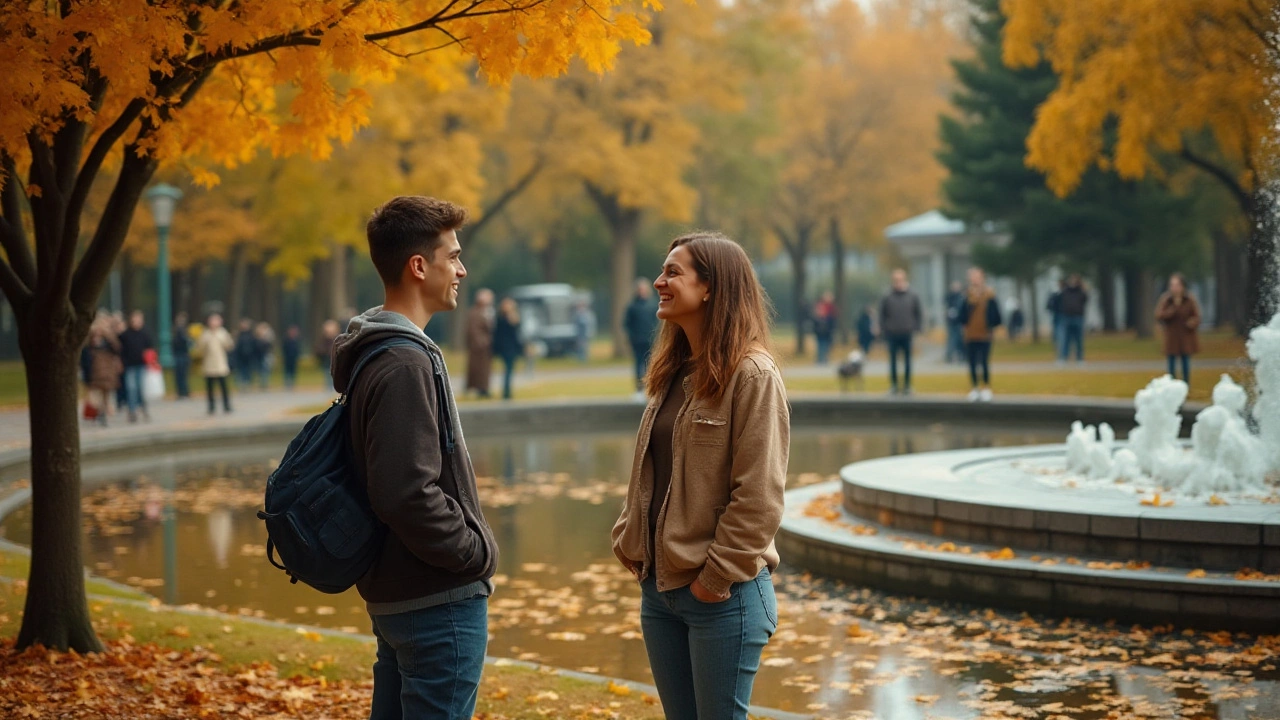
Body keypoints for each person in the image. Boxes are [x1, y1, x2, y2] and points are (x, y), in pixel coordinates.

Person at [331, 195, 497, 720]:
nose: (462, 270)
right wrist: (473, 552)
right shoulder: (403, 362)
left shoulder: (381, 353)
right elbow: (405, 492)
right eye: (453, 257)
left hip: (405, 596)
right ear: (419, 266)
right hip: (436, 601)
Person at [612, 232, 787, 720]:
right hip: (661, 593)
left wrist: (713, 580)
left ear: (710, 287)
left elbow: (760, 498)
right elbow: (652, 468)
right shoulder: (673, 369)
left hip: (722, 597)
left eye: (673, 272)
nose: (658, 281)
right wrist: (629, 537)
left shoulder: (753, 374)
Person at [958, 267, 1002, 402]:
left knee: (984, 362)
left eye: (977, 276)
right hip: (970, 334)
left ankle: (986, 387)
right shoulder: (967, 295)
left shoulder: (989, 295)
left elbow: (996, 315)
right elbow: (962, 315)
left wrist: (991, 326)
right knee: (971, 362)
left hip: (985, 334)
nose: (975, 279)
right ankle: (975, 388)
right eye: (972, 276)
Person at [879, 269, 922, 396]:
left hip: (907, 332)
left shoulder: (912, 295)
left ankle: (907, 385)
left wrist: (917, 328)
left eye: (900, 280)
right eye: (895, 280)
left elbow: (918, 313)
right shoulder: (887, 296)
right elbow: (882, 314)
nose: (898, 282)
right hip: (892, 332)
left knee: (908, 360)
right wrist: (883, 329)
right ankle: (894, 385)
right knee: (892, 361)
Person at [1156, 273, 1201, 386]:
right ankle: (1171, 385)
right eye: (1172, 285)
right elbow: (1159, 315)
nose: (1174, 288)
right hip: (1172, 337)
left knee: (1185, 362)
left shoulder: (1189, 300)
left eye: (1177, 285)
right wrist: (1171, 311)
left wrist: (1192, 322)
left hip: (1185, 336)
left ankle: (1186, 385)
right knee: (1171, 363)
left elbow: (1197, 316)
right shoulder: (1166, 300)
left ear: (1182, 286)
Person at [624, 278, 659, 396]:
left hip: (651, 340)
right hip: (637, 340)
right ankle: (639, 389)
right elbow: (627, 324)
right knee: (638, 365)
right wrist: (632, 337)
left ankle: (651, 388)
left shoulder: (653, 305)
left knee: (651, 365)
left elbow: (657, 322)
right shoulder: (632, 307)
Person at [118, 310, 154, 422]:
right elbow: (120, 349)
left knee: (140, 388)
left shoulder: (145, 333)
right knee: (131, 388)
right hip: (129, 365)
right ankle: (132, 410)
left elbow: (150, 348)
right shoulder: (125, 334)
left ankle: (143, 408)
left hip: (141, 365)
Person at [86, 314, 122, 426]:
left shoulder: (109, 339)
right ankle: (99, 413)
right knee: (96, 395)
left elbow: (117, 348)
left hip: (107, 370)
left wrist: (108, 334)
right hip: (96, 370)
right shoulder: (91, 338)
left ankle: (103, 413)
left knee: (106, 394)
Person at [195, 313, 234, 415]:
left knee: (224, 386)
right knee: (210, 387)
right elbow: (200, 348)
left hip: (220, 363)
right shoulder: (205, 334)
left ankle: (227, 405)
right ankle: (211, 406)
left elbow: (229, 345)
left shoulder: (222, 333)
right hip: (209, 364)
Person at [493, 297, 524, 400]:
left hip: (507, 348)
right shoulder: (506, 319)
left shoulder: (500, 318)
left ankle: (507, 392)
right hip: (509, 348)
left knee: (508, 370)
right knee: (508, 370)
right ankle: (507, 392)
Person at [465, 289, 494, 398]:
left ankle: (484, 388)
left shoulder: (486, 311)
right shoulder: (475, 312)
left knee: (485, 370)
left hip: (484, 347)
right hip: (479, 347)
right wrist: (482, 341)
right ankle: (480, 389)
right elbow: (473, 330)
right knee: (478, 370)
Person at [1058, 274, 1088, 363]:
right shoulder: (1065, 291)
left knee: (1079, 339)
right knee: (1065, 339)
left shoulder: (1081, 292)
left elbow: (1085, 299)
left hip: (1078, 317)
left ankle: (1080, 358)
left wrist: (1083, 288)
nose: (1073, 282)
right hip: (1067, 317)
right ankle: (1064, 357)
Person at [314, 319, 340, 393]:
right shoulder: (323, 339)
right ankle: (329, 387)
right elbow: (318, 349)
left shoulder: (338, 338)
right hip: (326, 360)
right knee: (327, 373)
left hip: (335, 360)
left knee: (334, 374)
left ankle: (333, 387)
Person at [812, 292, 836, 365]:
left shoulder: (831, 308)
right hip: (821, 331)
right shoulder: (821, 306)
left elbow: (833, 319)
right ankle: (820, 359)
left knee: (826, 345)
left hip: (827, 331)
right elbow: (816, 317)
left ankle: (824, 359)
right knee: (821, 345)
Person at [172, 312, 192, 399]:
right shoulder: (181, 330)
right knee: (181, 375)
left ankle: (183, 392)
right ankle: (183, 392)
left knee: (181, 375)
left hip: (181, 355)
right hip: (181, 354)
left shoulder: (180, 331)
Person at [944, 281, 965, 363]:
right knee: (952, 339)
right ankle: (949, 356)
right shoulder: (950, 296)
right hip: (951, 322)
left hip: (959, 321)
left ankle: (961, 356)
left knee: (960, 340)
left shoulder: (961, 297)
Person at [233, 318, 257, 387]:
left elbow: (254, 345)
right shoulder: (238, 334)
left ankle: (247, 382)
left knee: (248, 370)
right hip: (240, 355)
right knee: (241, 369)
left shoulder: (251, 334)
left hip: (249, 355)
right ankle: (241, 382)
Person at [1046, 279, 1065, 356]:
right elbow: (1049, 305)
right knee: (1056, 334)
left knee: (1063, 334)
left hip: (1064, 316)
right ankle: (1058, 352)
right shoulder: (1054, 294)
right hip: (1056, 316)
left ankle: (1063, 352)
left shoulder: (1065, 293)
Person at [573, 298, 595, 363]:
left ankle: (584, 358)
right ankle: (580, 357)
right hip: (579, 333)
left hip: (585, 333)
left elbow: (589, 324)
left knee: (585, 345)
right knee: (579, 345)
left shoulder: (587, 314)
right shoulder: (577, 314)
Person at [255, 322, 276, 389]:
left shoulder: (268, 339)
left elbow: (270, 346)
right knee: (260, 370)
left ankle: (264, 383)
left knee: (265, 370)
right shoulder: (257, 339)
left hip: (266, 355)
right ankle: (262, 383)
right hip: (259, 356)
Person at [281, 325, 302, 390]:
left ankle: (292, 383)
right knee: (287, 371)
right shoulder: (286, 340)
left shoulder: (296, 340)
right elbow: (284, 349)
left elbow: (298, 349)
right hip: (287, 358)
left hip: (294, 358)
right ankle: (287, 384)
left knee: (293, 371)